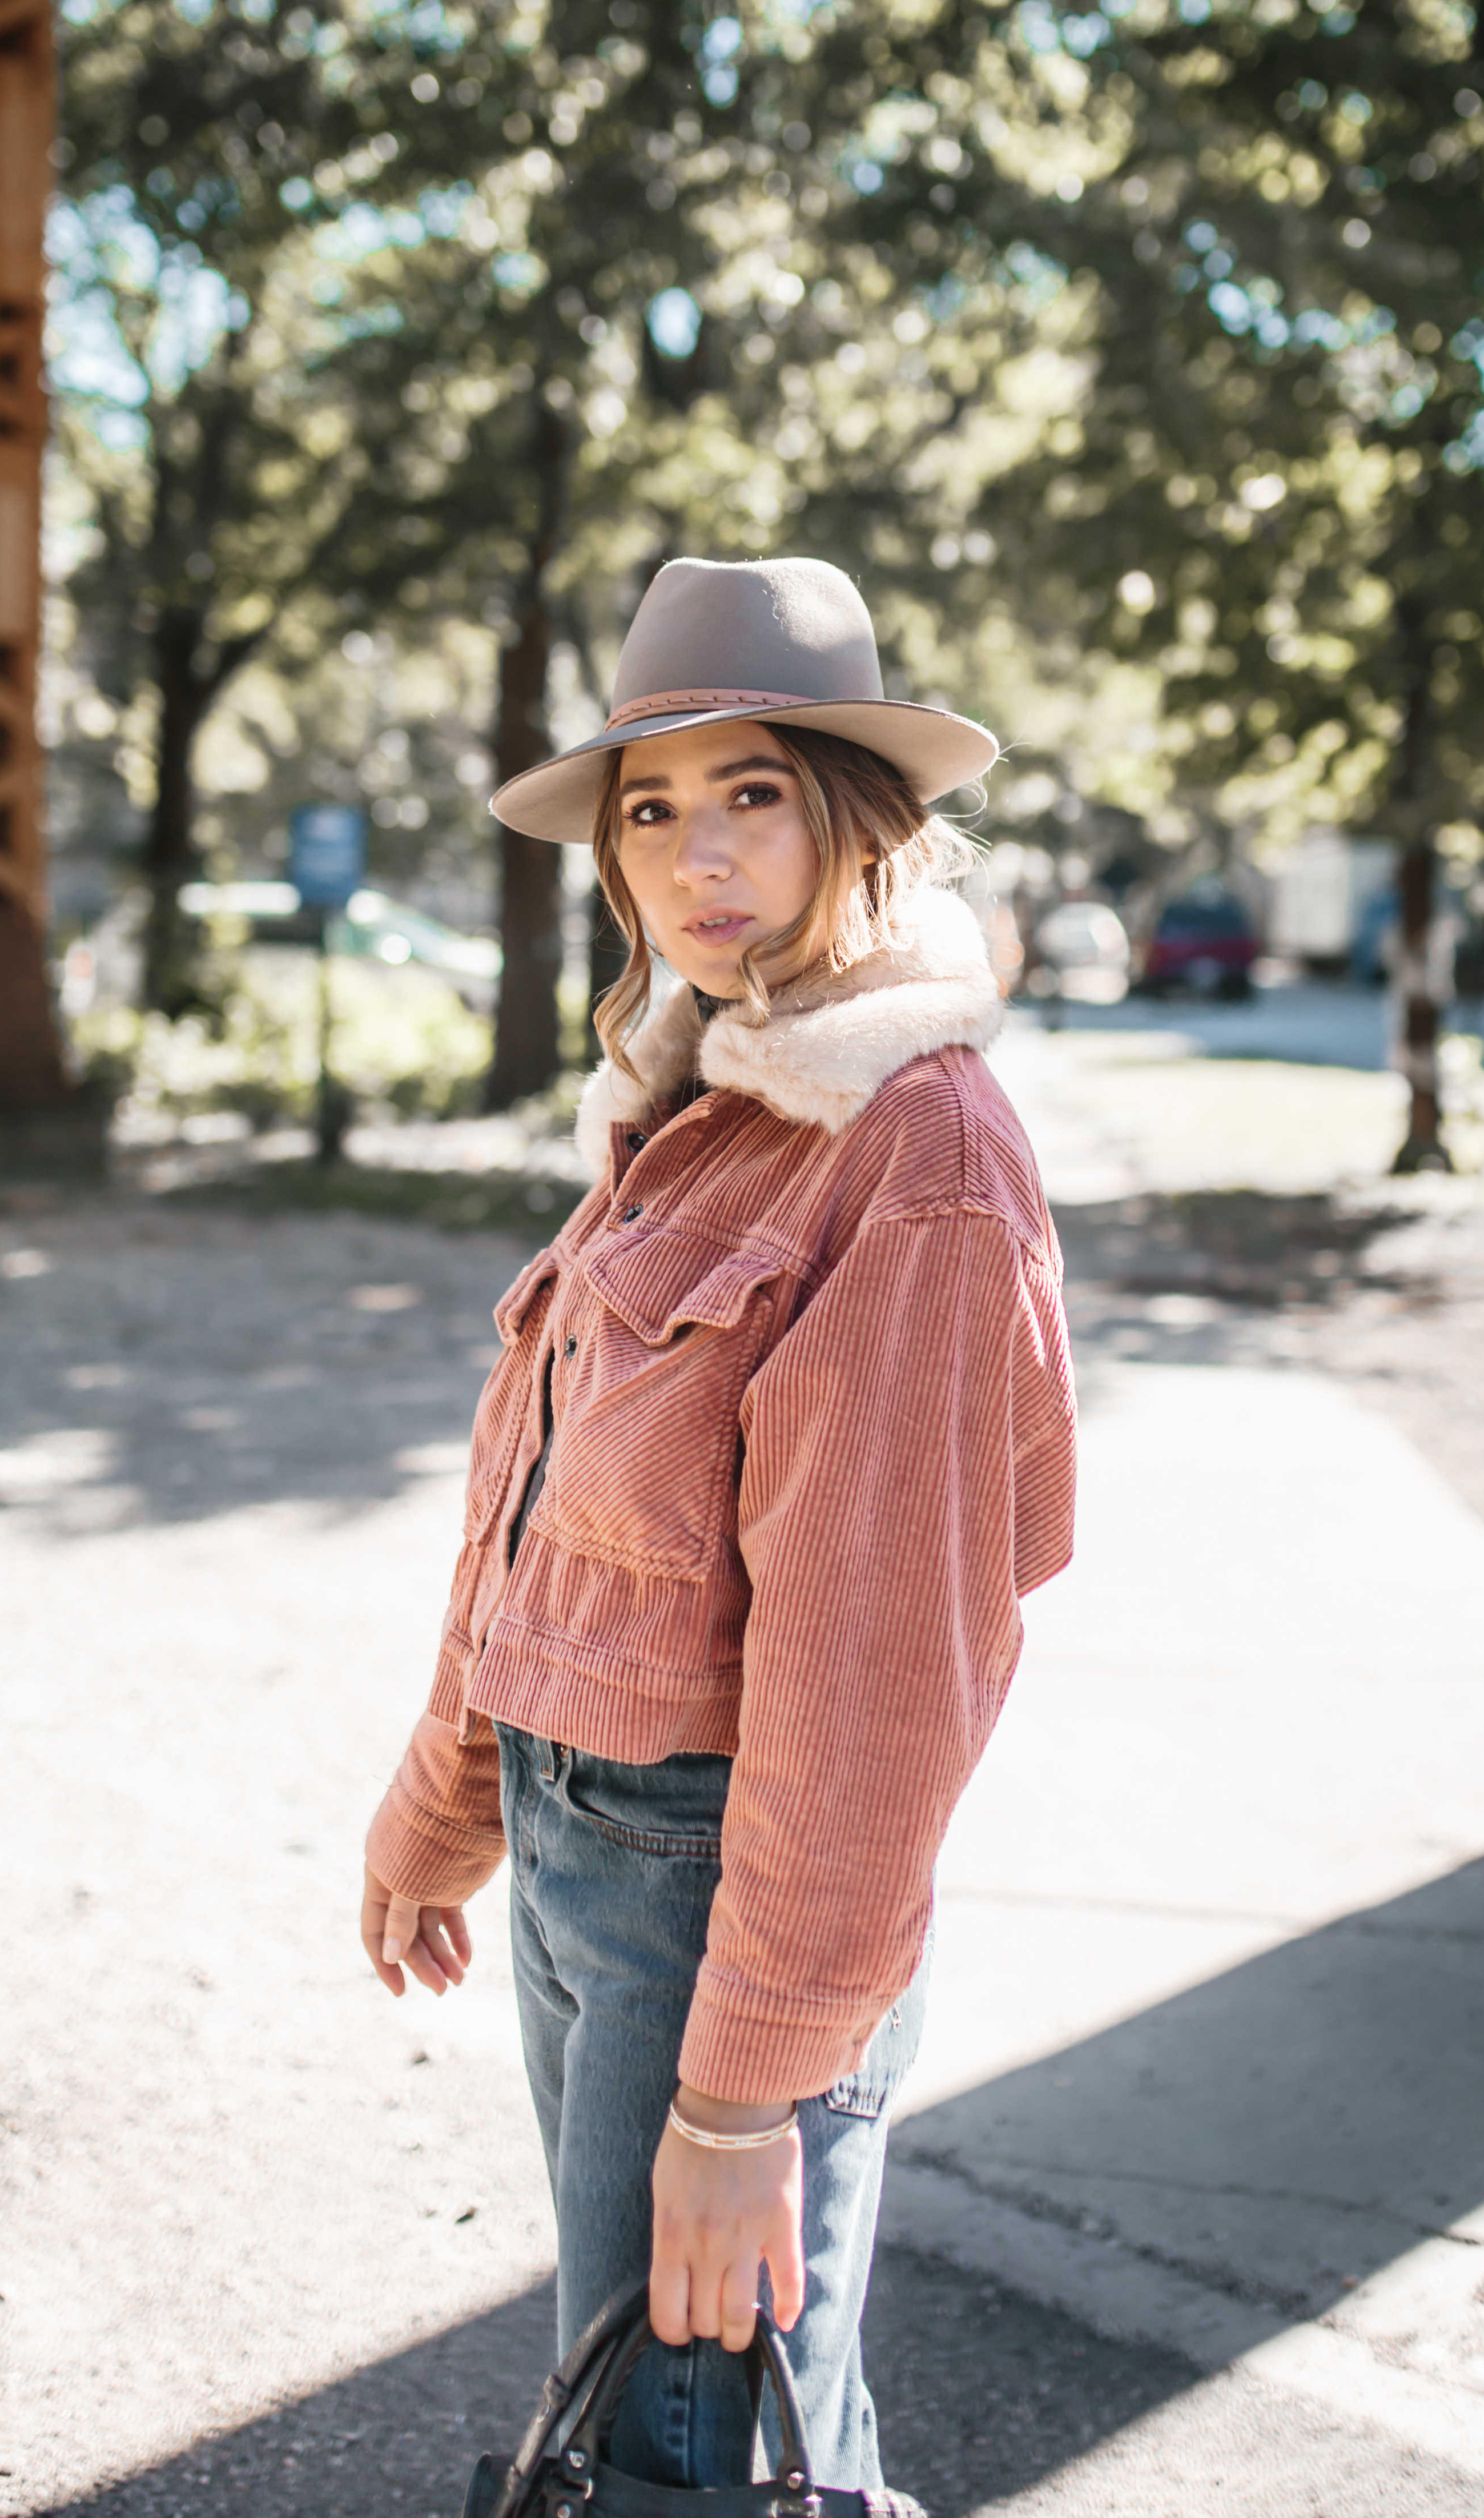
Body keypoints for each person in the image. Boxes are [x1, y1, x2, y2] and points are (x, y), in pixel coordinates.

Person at [360, 556, 1076, 2497]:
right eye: (650, 808)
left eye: (750, 791)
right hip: (584, 1844)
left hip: (720, 1893)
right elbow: (551, 1498)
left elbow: (881, 1683)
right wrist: (448, 1792)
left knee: (687, 2450)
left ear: (863, 814)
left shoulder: (911, 1150)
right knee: (728, 2417)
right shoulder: (704, 1093)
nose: (695, 856)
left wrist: (748, 2089)